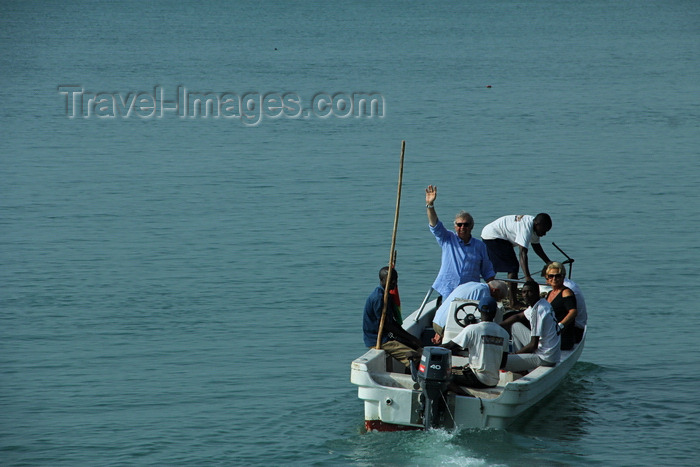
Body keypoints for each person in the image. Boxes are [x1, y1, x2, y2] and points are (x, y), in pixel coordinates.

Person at [425, 185, 495, 300]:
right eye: (459, 224)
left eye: (466, 224)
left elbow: (487, 271)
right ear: (455, 226)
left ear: (471, 226)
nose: (462, 227)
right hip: (448, 290)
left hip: (470, 292)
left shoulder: (480, 246)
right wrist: (430, 205)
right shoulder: (447, 238)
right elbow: (435, 225)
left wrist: (493, 292)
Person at [480, 214, 553, 306]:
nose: (544, 234)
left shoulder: (534, 227)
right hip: (494, 236)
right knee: (513, 267)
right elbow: (522, 254)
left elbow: (536, 247)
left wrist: (548, 262)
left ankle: (489, 293)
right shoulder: (526, 228)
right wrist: (527, 277)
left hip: (496, 236)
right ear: (537, 224)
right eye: (544, 230)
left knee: (495, 267)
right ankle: (513, 302)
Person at [441, 296, 510, 388]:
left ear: (478, 309)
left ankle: (467, 395)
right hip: (493, 382)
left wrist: (428, 350)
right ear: (495, 312)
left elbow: (450, 346)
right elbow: (502, 364)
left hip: (477, 378)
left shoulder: (472, 329)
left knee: (442, 375)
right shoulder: (504, 334)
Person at [363, 267, 423, 367]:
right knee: (415, 356)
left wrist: (412, 339)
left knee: (418, 346)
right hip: (379, 339)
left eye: (396, 280)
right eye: (391, 280)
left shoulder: (387, 295)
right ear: (382, 280)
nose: (394, 283)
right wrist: (410, 338)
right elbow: (386, 324)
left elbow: (393, 322)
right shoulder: (379, 298)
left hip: (388, 335)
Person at [500, 280, 561, 373]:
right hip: (550, 351)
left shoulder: (537, 311)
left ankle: (521, 368)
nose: (526, 295)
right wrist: (498, 326)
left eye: (529, 292)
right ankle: (521, 365)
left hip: (545, 358)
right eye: (524, 292)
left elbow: (533, 345)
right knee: (516, 326)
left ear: (537, 293)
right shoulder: (542, 303)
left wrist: (514, 354)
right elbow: (518, 316)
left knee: (501, 361)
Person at [431, 280, 508, 343]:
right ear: (495, 290)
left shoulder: (470, 284)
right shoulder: (484, 292)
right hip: (446, 326)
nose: (497, 300)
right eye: (499, 298)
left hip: (437, 322)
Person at [544, 262, 577, 350]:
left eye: (557, 276)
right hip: (550, 334)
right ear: (547, 277)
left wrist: (560, 326)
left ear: (563, 277)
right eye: (551, 276)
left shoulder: (565, 292)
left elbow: (573, 312)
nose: (554, 278)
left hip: (562, 336)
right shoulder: (550, 293)